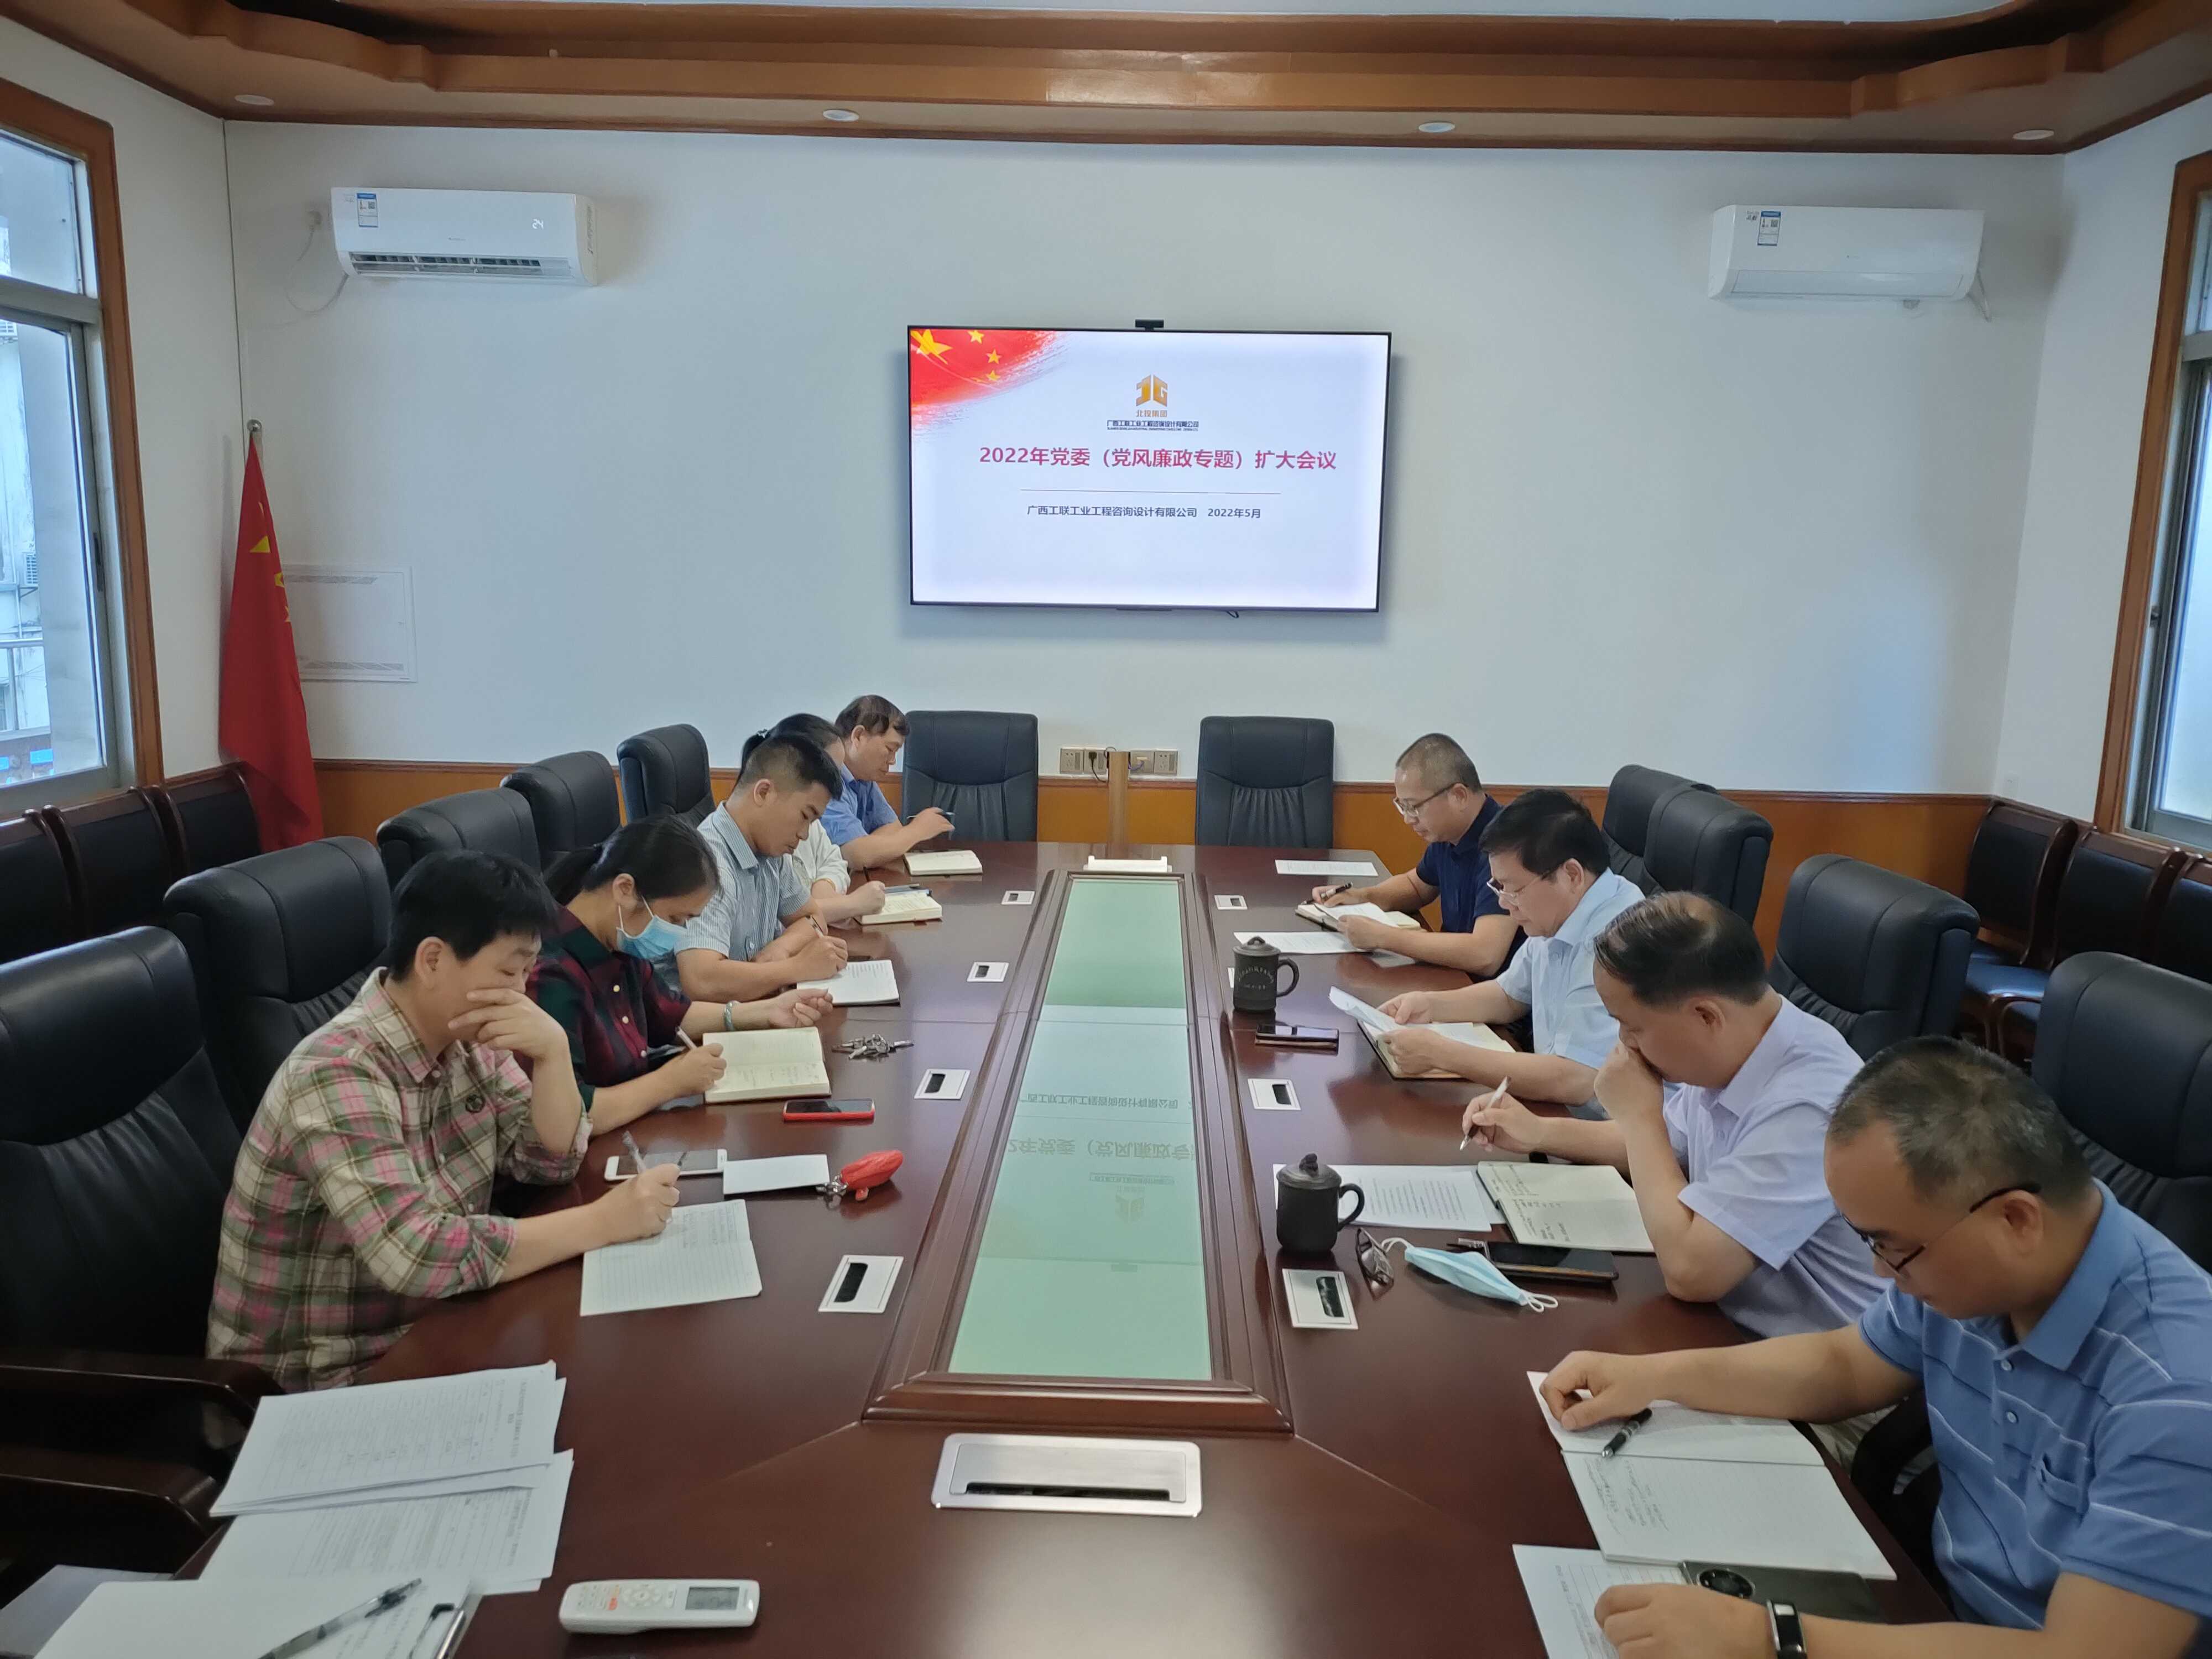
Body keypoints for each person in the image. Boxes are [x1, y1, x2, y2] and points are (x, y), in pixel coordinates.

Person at [1541, 1039, 2212, 1659]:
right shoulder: (1978, 1267)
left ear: (2015, 1219)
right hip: (1938, 1614)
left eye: (1892, 1247)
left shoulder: (2179, 1395)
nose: (1880, 1272)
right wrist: (1653, 1378)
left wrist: (1767, 1637)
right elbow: (1844, 1365)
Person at [207, 851, 682, 1388]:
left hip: (439, 1326)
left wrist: (552, 1053)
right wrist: (602, 1222)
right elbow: (416, 1253)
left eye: (527, 970)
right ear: (433, 960)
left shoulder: (469, 1037)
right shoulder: (337, 1071)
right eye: (508, 971)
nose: (522, 991)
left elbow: (548, 1161)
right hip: (323, 1380)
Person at [1467, 891, 1882, 1340]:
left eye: (1633, 1027)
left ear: (1705, 1016)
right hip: (1722, 1322)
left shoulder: (1811, 1103)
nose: (1624, 1044)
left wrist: (1641, 1115)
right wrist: (1538, 1132)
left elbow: (1691, 1272)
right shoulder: (1735, 1041)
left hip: (1803, 1357)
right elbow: (1667, 1146)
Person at [529, 816, 833, 1133]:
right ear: (625, 890)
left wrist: (766, 1012)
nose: (680, 931)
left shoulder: (618, 941)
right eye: (675, 919)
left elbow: (670, 1014)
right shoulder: (549, 974)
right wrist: (670, 1082)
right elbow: (570, 1117)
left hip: (640, 1129)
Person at [1376, 789, 1642, 1106]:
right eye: (1499, 887)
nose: (1504, 903)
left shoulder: (1618, 939)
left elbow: (1577, 1079)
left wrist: (1443, 1054)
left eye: (1513, 889)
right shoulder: (1559, 911)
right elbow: (1509, 995)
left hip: (1599, 1125)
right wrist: (1429, 1005)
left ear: (1571, 875)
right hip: (1552, 1107)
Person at [1310, 733, 1515, 975]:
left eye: (1414, 807)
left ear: (1459, 796)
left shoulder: (1506, 844)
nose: (1408, 819)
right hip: (1453, 976)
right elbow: (1416, 887)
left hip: (1491, 992)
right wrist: (1363, 896)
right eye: (1403, 807)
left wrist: (1384, 937)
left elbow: (1485, 955)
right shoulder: (1448, 834)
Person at [674, 733, 849, 1003]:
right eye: (805, 816)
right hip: (697, 1024)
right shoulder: (708, 862)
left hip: (755, 1006)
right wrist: (796, 967)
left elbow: (813, 918)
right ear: (764, 792)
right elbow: (701, 980)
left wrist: (780, 950)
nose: (804, 834)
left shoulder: (771, 852)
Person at [754, 716, 886, 925]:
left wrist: (826, 884)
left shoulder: (809, 820)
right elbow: (782, 915)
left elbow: (834, 861)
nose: (836, 784)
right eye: (830, 772)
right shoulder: (773, 835)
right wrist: (852, 904)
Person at [823, 694, 954, 869]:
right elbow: (857, 856)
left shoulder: (864, 779)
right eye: (890, 749)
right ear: (859, 736)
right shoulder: (826, 779)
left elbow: (893, 829)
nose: (893, 761)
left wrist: (867, 846)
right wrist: (917, 831)